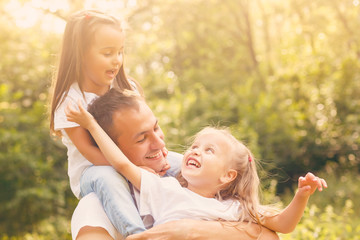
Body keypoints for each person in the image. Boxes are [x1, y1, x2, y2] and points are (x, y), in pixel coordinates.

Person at [66, 89, 327, 239]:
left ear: (227, 176)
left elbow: (280, 228)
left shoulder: (233, 207)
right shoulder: (162, 191)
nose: (158, 143)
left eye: (209, 150)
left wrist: (301, 196)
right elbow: (122, 165)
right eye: (141, 138)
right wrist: (89, 124)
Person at [49, 9, 171, 237]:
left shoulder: (127, 88)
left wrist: (156, 157)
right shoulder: (72, 101)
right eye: (107, 53)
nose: (116, 60)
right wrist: (132, 170)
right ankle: (137, 234)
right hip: (93, 171)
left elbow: (146, 129)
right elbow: (90, 152)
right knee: (108, 177)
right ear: (81, 54)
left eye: (120, 52)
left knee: (178, 162)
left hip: (132, 160)